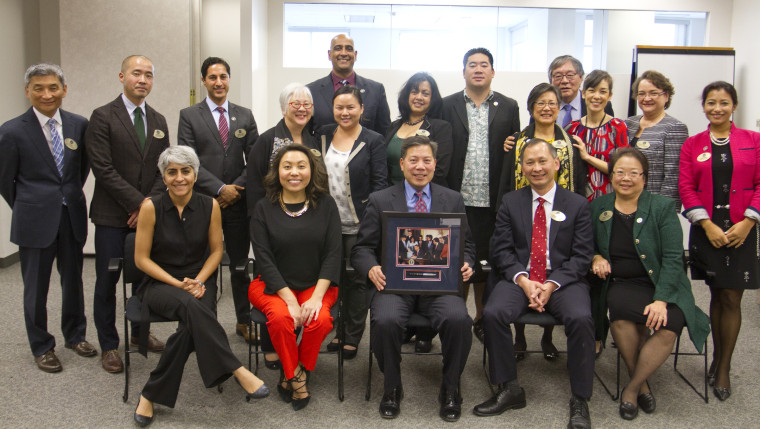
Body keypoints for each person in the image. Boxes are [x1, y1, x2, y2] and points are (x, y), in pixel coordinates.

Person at [132, 146, 269, 427]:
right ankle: (237, 368)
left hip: (199, 281)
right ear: (164, 176)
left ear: (195, 175)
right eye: (172, 172)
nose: (179, 178)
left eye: (185, 171)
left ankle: (150, 393)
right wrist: (176, 283)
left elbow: (217, 252)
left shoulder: (210, 205)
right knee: (192, 308)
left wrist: (199, 280)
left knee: (189, 329)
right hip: (159, 283)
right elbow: (141, 259)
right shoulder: (150, 206)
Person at [352, 136, 475, 422]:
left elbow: (466, 245)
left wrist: (467, 262)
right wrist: (371, 268)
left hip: (440, 288)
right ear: (402, 163)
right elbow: (362, 249)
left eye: (427, 160)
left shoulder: (452, 199)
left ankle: (450, 387)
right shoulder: (381, 199)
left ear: (435, 164)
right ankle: (392, 386)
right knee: (384, 320)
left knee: (459, 320)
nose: (420, 166)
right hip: (395, 286)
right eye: (414, 160)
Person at [473, 139, 594, 429]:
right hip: (520, 277)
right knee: (492, 313)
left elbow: (582, 256)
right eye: (530, 162)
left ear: (556, 164)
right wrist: (525, 281)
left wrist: (551, 284)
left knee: (581, 318)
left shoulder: (577, 204)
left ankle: (580, 398)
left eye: (542, 161)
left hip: (563, 279)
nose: (536, 168)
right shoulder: (511, 201)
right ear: (522, 167)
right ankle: (509, 387)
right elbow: (500, 250)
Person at [590, 148, 709, 419]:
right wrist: (596, 256)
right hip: (621, 282)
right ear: (611, 175)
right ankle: (642, 383)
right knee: (619, 316)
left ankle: (632, 388)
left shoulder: (661, 207)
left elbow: (673, 257)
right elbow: (586, 245)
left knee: (668, 326)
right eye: (620, 172)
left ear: (645, 178)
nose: (626, 178)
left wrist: (661, 299)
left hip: (661, 284)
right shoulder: (598, 206)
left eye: (634, 173)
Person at [0, 63, 95, 372]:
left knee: (74, 281)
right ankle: (41, 345)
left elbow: (79, 173)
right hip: (33, 220)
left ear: (64, 90)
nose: (47, 94)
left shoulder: (79, 125)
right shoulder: (12, 130)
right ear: (28, 91)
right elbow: (5, 180)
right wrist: (32, 204)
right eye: (38, 88)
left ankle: (75, 335)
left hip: (71, 215)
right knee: (36, 287)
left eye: (53, 87)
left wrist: (64, 197)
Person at [86, 55, 168, 373]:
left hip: (147, 216)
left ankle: (140, 335)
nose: (143, 80)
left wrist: (148, 206)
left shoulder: (158, 120)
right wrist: (137, 203)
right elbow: (102, 168)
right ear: (122, 76)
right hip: (111, 215)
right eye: (137, 73)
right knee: (107, 281)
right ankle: (109, 344)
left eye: (148, 75)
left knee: (145, 278)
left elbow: (166, 168)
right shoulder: (103, 116)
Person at [679, 81, 760, 401]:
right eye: (711, 103)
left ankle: (723, 366)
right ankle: (716, 358)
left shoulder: (753, 141)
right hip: (707, 229)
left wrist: (749, 221)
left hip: (743, 229)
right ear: (704, 107)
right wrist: (707, 225)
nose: (717, 108)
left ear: (734, 106)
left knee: (732, 297)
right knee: (715, 293)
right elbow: (687, 187)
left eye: (723, 103)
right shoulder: (693, 144)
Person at [248, 144, 342, 411]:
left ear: (312, 170)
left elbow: (334, 254)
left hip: (317, 285)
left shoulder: (326, 205)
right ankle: (297, 377)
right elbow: (263, 259)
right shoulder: (263, 208)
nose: (294, 172)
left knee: (320, 319)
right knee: (280, 318)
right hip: (272, 286)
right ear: (277, 171)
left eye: (301, 166)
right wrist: (289, 299)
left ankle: (294, 370)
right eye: (287, 166)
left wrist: (315, 298)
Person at [501, 83, 587, 360]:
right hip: (522, 215)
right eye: (540, 103)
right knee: (521, 262)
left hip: (561, 217)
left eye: (552, 103)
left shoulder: (570, 141)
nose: (547, 108)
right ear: (531, 108)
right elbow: (505, 180)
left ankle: (549, 337)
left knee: (556, 264)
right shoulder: (516, 141)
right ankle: (520, 336)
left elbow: (580, 182)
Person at [441, 47, 520, 344]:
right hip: (455, 197)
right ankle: (455, 315)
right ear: (463, 71)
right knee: (455, 261)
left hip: (492, 199)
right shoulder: (446, 104)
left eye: (484, 65)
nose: (478, 69)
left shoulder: (509, 106)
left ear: (492, 71)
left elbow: (516, 152)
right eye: (472, 65)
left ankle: (482, 318)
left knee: (486, 262)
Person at [177, 56, 259, 344]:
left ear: (229, 79)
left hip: (237, 203)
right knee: (202, 265)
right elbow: (188, 161)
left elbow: (256, 160)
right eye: (212, 77)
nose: (218, 82)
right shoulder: (189, 115)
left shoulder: (244, 115)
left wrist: (234, 188)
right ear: (203, 81)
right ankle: (203, 321)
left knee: (239, 266)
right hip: (204, 203)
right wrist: (219, 188)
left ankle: (243, 320)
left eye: (223, 76)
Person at [246, 83, 321, 370]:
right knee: (273, 287)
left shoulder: (315, 140)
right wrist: (258, 227)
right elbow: (254, 187)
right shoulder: (267, 141)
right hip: (271, 225)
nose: (302, 108)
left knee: (302, 280)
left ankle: (294, 341)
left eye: (307, 104)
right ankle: (271, 346)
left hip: (305, 222)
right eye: (295, 103)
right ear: (283, 108)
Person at [320, 84, 388, 359]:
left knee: (358, 281)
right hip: (327, 224)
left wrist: (372, 222)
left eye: (351, 107)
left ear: (361, 109)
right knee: (333, 280)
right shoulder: (323, 134)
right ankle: (338, 330)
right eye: (339, 107)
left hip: (359, 223)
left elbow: (380, 184)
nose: (344, 112)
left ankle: (353, 336)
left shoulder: (373, 140)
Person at [626, 70, 688, 208]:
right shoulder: (628, 123)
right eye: (641, 94)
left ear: (666, 96)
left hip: (653, 206)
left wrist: (662, 211)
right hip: (625, 201)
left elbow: (673, 178)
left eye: (653, 93)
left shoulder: (674, 128)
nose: (647, 98)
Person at [307, 33, 391, 135]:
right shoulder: (311, 91)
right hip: (323, 150)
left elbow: (385, 133)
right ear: (329, 54)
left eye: (349, 49)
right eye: (338, 48)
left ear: (355, 55)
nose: (343, 53)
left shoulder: (376, 90)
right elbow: (305, 134)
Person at [566, 69, 629, 200]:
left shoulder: (618, 127)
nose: (596, 96)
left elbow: (622, 170)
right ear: (583, 94)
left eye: (603, 91)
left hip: (609, 199)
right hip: (577, 200)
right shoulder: (572, 128)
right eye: (592, 90)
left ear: (610, 95)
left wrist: (587, 157)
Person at [385, 72, 452, 186]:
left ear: (432, 99)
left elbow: (440, 170)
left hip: (424, 195)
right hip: (391, 195)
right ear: (407, 96)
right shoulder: (393, 126)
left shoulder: (441, 127)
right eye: (414, 92)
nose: (419, 97)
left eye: (425, 94)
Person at [548, 55, 613, 127]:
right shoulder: (543, 106)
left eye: (570, 75)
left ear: (581, 77)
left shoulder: (601, 104)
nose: (564, 81)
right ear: (551, 80)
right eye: (558, 76)